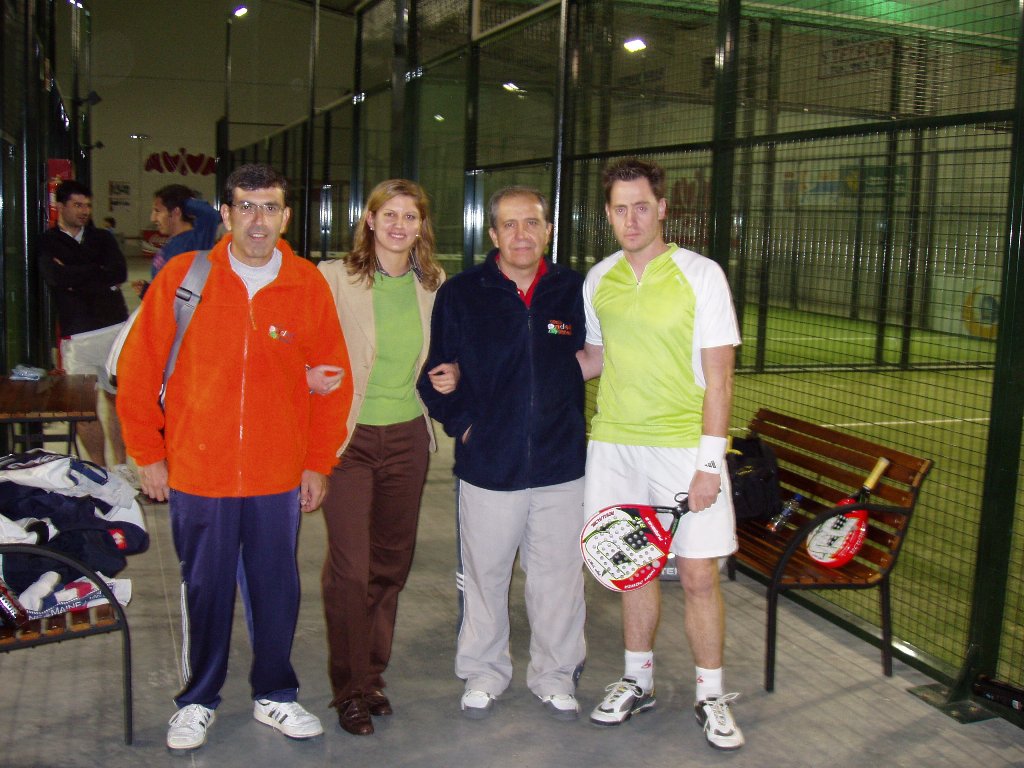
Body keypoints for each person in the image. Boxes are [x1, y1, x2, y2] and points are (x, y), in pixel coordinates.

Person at [115, 163, 354, 752]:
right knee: (206, 589)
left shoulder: (305, 284)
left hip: (277, 475)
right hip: (199, 470)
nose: (258, 220)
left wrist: (316, 461)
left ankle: (276, 694)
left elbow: (334, 379)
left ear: (286, 216)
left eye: (270, 208)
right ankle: (197, 700)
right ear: (224, 213)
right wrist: (148, 452)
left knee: (277, 588)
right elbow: (139, 371)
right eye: (246, 207)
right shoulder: (184, 276)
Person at [577, 158, 744, 750]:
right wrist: (526, 369)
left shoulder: (702, 276)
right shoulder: (599, 279)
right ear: (608, 214)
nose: (630, 218)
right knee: (633, 568)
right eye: (620, 208)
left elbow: (719, 378)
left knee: (698, 575)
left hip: (683, 448)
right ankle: (636, 680)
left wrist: (708, 462)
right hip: (615, 445)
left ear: (663, 209)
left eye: (641, 206)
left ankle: (711, 694)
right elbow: (594, 359)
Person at [416, 186, 587, 722]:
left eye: (531, 223)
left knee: (558, 577)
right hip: (489, 466)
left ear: (548, 230)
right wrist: (465, 427)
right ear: (493, 235)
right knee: (485, 575)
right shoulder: (463, 293)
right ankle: (484, 671)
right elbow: (434, 376)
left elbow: (588, 355)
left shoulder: (573, 291)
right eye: (509, 225)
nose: (521, 234)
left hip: (561, 465)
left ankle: (556, 674)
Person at [312, 179, 458, 736]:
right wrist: (304, 375)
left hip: (406, 439)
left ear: (422, 226)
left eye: (411, 216)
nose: (400, 225)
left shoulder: (434, 284)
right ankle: (347, 689)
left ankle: (371, 674)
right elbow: (298, 339)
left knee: (390, 566)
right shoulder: (333, 277)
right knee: (350, 570)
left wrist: (454, 372)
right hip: (348, 441)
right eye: (388, 214)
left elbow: (445, 353)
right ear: (369, 220)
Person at [38, 180, 134, 482]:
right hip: (77, 336)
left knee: (116, 399)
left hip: (114, 329)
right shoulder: (47, 242)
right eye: (78, 205)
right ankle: (98, 469)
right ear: (61, 206)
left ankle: (120, 466)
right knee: (84, 406)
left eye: (88, 205)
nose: (84, 211)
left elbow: (119, 272)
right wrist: (96, 273)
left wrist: (74, 275)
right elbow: (54, 277)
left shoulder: (103, 238)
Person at [135, 184, 221, 296]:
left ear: (176, 212)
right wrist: (148, 291)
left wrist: (182, 201)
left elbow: (210, 214)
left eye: (157, 211)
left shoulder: (195, 241)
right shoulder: (174, 242)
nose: (153, 218)